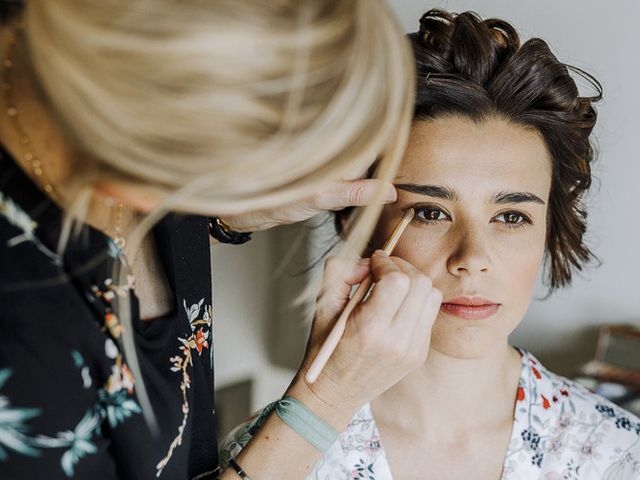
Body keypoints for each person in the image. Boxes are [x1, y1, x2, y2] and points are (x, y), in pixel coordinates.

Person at [0, 1, 445, 479]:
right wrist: (324, 401)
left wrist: (222, 218)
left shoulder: (112, 108)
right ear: (142, 183)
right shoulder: (23, 352)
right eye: (430, 211)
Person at [220, 9, 640, 479]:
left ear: (548, 230)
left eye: (511, 216)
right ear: (357, 221)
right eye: (429, 212)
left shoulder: (619, 455)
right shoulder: (267, 460)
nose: (472, 260)